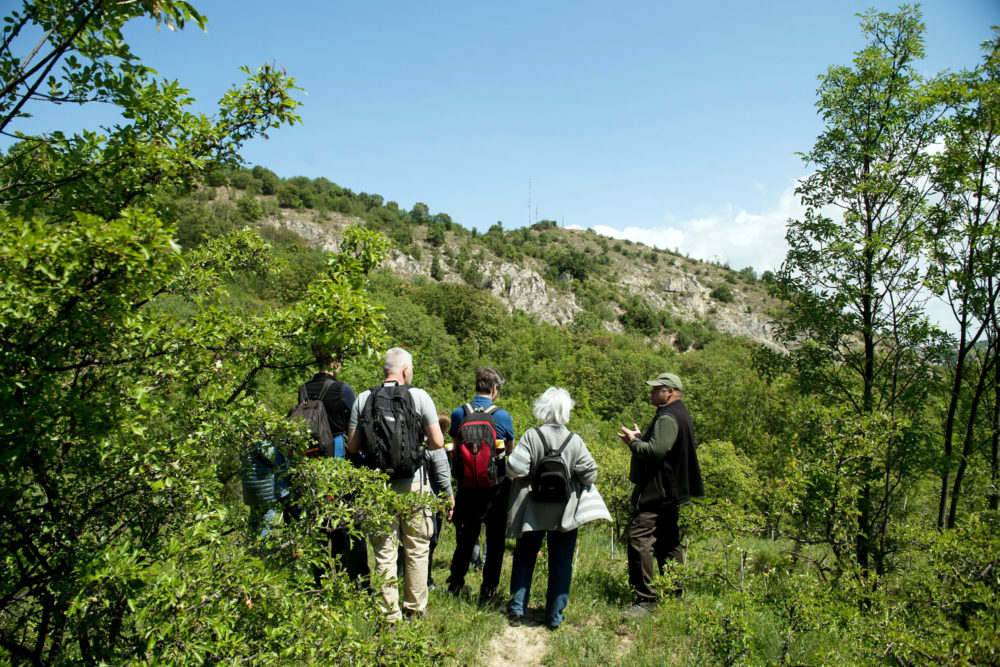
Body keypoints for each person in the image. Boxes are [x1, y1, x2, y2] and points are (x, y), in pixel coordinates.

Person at [346, 347, 453, 623]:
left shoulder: (363, 399)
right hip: (414, 484)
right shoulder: (419, 397)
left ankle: (389, 616)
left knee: (384, 552)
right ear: (405, 370)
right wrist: (416, 447)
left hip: (377, 487)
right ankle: (414, 610)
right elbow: (438, 442)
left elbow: (353, 446)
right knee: (417, 548)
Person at [505, 387, 599, 631]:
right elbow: (590, 474)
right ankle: (554, 616)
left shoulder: (532, 436)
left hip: (532, 512)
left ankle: (517, 609)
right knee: (561, 562)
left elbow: (515, 468)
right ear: (566, 411)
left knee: (525, 557)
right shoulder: (574, 440)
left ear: (542, 409)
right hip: (565, 513)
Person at [618, 372, 704, 615]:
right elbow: (663, 447)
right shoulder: (679, 412)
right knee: (668, 542)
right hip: (671, 490)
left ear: (670, 392)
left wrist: (634, 443)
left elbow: (656, 451)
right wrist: (642, 438)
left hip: (658, 491)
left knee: (639, 538)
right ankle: (674, 595)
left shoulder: (667, 416)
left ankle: (646, 601)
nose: (652, 392)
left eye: (656, 389)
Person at [296, 351, 368, 582]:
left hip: (311, 458)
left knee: (318, 517)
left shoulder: (304, 389)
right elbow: (358, 420)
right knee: (343, 517)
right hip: (337, 455)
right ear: (335, 363)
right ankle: (349, 575)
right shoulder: (342, 389)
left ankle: (320, 577)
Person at [447, 366, 515, 605]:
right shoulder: (502, 416)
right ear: (495, 389)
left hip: (467, 487)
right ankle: (488, 591)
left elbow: (455, 447)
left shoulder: (459, 413)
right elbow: (509, 451)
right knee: (495, 541)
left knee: (466, 538)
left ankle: (456, 583)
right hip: (495, 488)